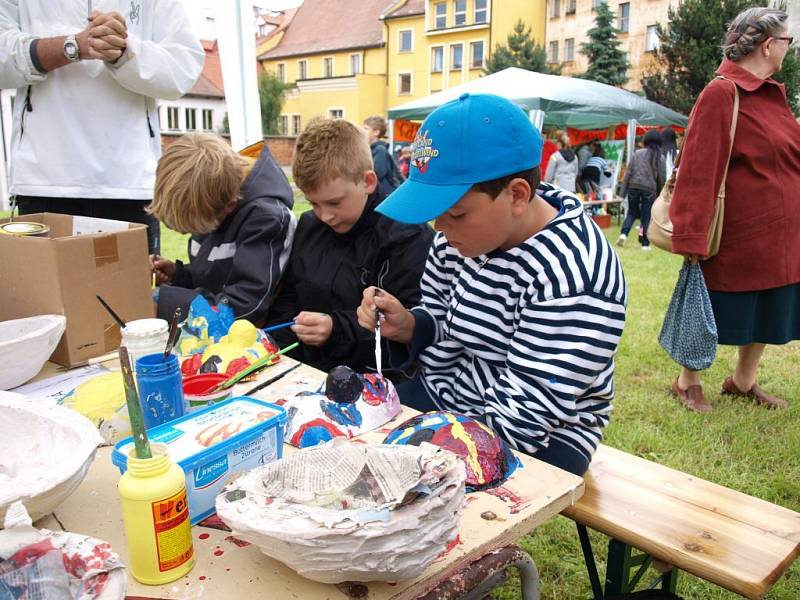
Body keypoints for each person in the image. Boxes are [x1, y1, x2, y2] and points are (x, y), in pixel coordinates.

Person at [357, 94, 627, 476]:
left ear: (517, 195)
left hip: (544, 434)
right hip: (453, 395)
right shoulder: (463, 236)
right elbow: (442, 318)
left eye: (455, 214)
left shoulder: (573, 274)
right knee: (354, 431)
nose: (440, 229)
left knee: (399, 485)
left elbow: (528, 413)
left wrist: (418, 454)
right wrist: (411, 326)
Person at [669, 7, 799, 413]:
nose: (788, 49)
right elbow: (698, 166)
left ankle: (743, 382)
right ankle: (687, 381)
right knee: (712, 305)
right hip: (738, 235)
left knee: (768, 305)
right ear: (767, 45)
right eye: (787, 41)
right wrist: (690, 232)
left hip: (779, 236)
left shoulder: (772, 95)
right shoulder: (723, 92)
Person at [0, 2, 203, 255]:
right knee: (42, 295)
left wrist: (123, 50)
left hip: (127, 182)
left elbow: (183, 68)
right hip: (45, 179)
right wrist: (72, 46)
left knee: (129, 294)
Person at [266, 118, 433, 373]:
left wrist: (336, 329)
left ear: (368, 182)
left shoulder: (406, 235)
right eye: (314, 204)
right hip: (305, 371)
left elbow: (409, 330)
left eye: (334, 203)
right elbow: (289, 298)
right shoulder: (310, 226)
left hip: (377, 382)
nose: (325, 216)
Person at [147, 134, 296, 324]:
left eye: (191, 227)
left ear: (230, 206)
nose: (185, 234)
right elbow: (216, 277)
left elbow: (244, 307)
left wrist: (165, 303)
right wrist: (179, 275)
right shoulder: (212, 195)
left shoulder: (267, 220)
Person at [617, 129, 665, 251]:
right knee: (646, 216)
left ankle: (623, 234)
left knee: (631, 212)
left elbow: (628, 173)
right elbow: (661, 177)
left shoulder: (637, 153)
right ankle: (645, 244)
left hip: (633, 186)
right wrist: (660, 194)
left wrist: (622, 193)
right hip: (649, 189)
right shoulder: (659, 157)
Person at [363, 114, 404, 197]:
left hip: (386, 195)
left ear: (376, 132)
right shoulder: (371, 150)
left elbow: (377, 174)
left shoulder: (380, 150)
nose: (363, 131)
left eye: (366, 129)